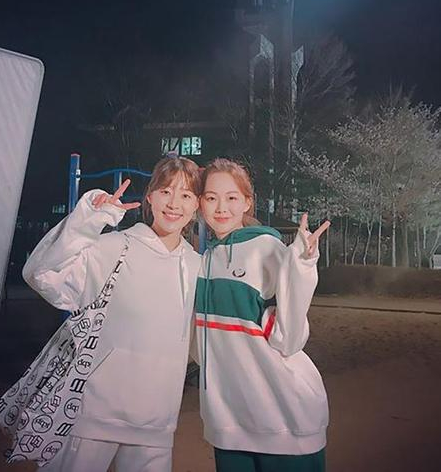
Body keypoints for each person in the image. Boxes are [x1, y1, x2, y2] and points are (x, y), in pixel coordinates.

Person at [22, 156, 201, 472]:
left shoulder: (197, 266)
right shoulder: (116, 247)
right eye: (166, 191)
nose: (174, 203)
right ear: (150, 196)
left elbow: (204, 342)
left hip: (157, 422)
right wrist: (90, 219)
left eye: (186, 194)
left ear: (196, 204)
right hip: (94, 414)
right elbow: (42, 273)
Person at [194, 158, 330, 472]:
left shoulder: (267, 248)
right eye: (211, 197)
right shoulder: (203, 261)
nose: (221, 207)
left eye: (231, 197)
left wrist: (302, 266)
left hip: (284, 418)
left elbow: (290, 339)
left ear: (247, 202)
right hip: (228, 422)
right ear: (200, 203)